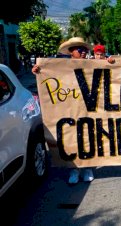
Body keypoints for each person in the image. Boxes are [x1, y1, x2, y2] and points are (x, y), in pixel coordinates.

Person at [32, 37, 95, 184]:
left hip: (88, 108)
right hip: (69, 108)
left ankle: (87, 168)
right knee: (72, 138)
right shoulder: (62, 66)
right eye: (80, 50)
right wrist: (38, 71)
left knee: (88, 138)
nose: (84, 52)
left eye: (85, 49)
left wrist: (111, 62)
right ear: (72, 52)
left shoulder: (93, 64)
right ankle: (74, 170)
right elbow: (48, 75)